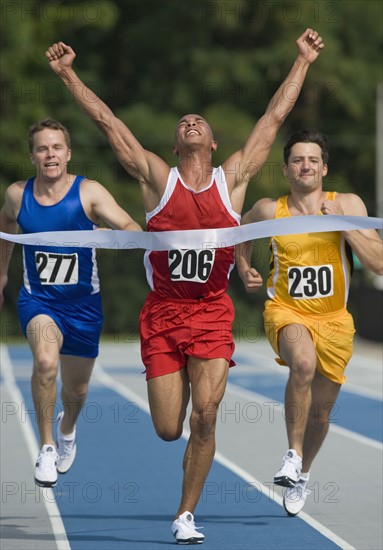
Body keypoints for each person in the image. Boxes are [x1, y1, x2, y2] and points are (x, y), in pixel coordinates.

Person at [45, 30, 324, 544]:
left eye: (201, 121)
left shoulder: (232, 179)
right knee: (169, 428)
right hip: (163, 314)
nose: (191, 121)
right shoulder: (157, 177)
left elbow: (273, 120)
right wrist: (67, 74)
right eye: (183, 123)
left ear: (213, 143)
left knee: (207, 414)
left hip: (213, 311)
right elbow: (109, 123)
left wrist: (302, 61)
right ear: (176, 146)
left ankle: (185, 514)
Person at [236, 128, 383, 516]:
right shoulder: (271, 209)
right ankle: (291, 452)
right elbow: (240, 228)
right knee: (302, 363)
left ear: (324, 168)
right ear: (286, 169)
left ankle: (303, 470)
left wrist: (345, 225)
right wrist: (244, 266)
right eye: (298, 159)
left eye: (312, 160)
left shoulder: (346, 203)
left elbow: (379, 262)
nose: (306, 165)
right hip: (286, 311)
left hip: (335, 320)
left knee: (320, 413)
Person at [0, 118, 142, 488]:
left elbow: (132, 230)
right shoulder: (18, 194)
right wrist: (1, 274)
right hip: (38, 300)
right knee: (45, 361)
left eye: (57, 147)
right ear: (33, 156)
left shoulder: (89, 192)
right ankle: (46, 445)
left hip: (83, 307)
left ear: (68, 153)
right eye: (43, 148)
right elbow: (5, 228)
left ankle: (67, 429)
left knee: (76, 391)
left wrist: (103, 236)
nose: (50, 154)